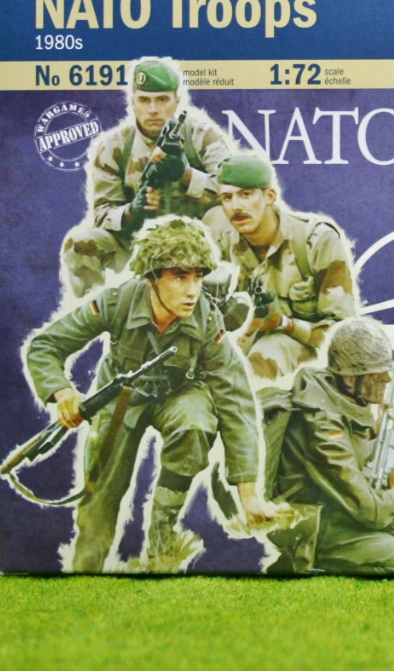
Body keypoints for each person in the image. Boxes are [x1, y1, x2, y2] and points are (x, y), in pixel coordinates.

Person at [25, 217, 276, 572]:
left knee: (196, 423)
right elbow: (45, 346)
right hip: (122, 398)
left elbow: (235, 400)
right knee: (101, 495)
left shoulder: (207, 319)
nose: (192, 290)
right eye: (179, 276)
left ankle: (161, 548)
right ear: (152, 277)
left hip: (180, 393)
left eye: (198, 277)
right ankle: (85, 569)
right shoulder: (118, 302)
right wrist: (61, 391)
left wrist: (248, 494)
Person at [61, 57, 232, 297]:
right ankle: (97, 312)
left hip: (198, 246)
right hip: (137, 248)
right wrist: (132, 210)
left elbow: (233, 193)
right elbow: (102, 215)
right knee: (80, 244)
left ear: (177, 102)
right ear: (132, 102)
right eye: (144, 100)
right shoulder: (114, 147)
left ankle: (219, 303)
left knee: (225, 219)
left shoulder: (202, 137)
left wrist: (185, 175)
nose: (153, 109)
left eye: (162, 99)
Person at [266, 318, 394, 575]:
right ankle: (308, 569)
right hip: (310, 523)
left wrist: (374, 430)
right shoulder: (321, 425)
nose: (386, 378)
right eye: (376, 375)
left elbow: (347, 453)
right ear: (350, 380)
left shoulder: (333, 398)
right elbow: (367, 509)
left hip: (330, 509)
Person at [204, 152, 357, 382]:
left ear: (270, 196)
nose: (236, 206)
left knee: (265, 355)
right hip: (247, 337)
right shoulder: (221, 240)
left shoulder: (315, 241)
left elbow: (342, 336)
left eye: (246, 194)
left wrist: (283, 323)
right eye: (227, 198)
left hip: (305, 347)